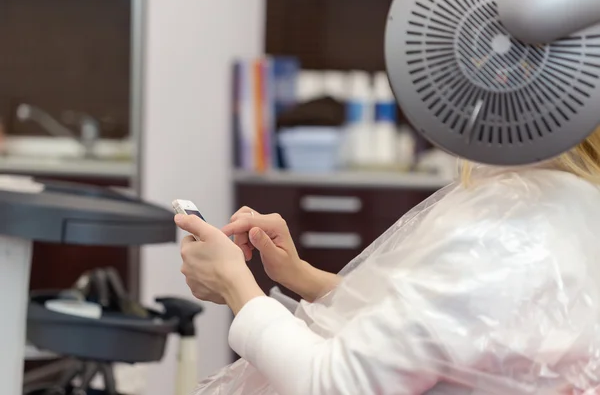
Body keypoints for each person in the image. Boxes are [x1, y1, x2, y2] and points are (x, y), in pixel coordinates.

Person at [174, 128, 600, 394]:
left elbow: (334, 384)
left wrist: (235, 285)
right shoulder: (569, 198)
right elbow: (442, 322)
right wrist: (301, 276)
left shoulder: (511, 225)